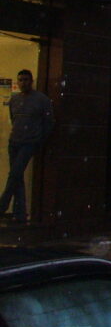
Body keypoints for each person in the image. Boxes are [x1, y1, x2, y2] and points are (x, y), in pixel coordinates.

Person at [1, 69, 54, 223]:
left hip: (29, 142)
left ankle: (3, 205)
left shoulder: (41, 100)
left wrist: (39, 139)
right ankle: (20, 213)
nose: (23, 83)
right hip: (15, 141)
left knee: (14, 175)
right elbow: (14, 119)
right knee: (17, 177)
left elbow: (49, 122)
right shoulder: (15, 99)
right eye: (21, 80)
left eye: (26, 80)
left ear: (31, 81)